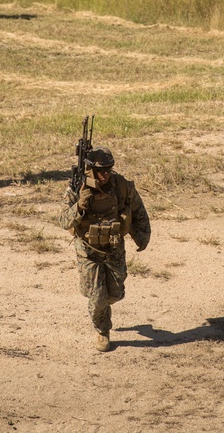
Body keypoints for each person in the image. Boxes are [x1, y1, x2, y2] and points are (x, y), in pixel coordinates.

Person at [59, 147, 151, 352]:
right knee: (97, 295)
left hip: (114, 247)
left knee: (115, 294)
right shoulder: (77, 188)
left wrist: (143, 236)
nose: (106, 174)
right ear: (90, 170)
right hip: (88, 250)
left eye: (109, 169)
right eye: (101, 171)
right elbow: (64, 222)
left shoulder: (121, 186)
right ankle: (103, 330)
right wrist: (80, 206)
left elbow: (138, 209)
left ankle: (102, 306)